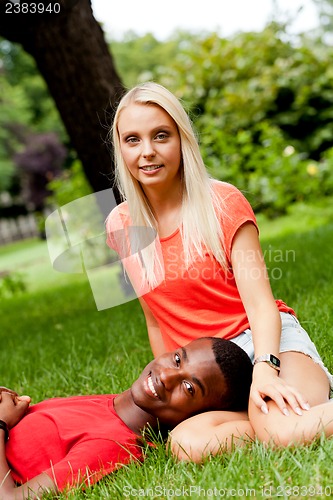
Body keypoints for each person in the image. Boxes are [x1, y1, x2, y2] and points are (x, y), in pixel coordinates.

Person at [106, 81, 333, 462]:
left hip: (260, 343)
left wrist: (265, 369)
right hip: (204, 375)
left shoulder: (222, 202)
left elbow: (261, 306)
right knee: (186, 445)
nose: (147, 152)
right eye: (133, 140)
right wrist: (174, 401)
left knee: (282, 429)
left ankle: (282, 416)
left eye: (160, 136)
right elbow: (158, 323)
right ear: (121, 147)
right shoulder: (120, 224)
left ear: (181, 140)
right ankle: (278, 419)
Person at [0, 337, 252, 499]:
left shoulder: (111, 446)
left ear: (197, 415)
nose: (167, 377)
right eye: (177, 359)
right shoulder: (109, 404)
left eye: (188, 388)